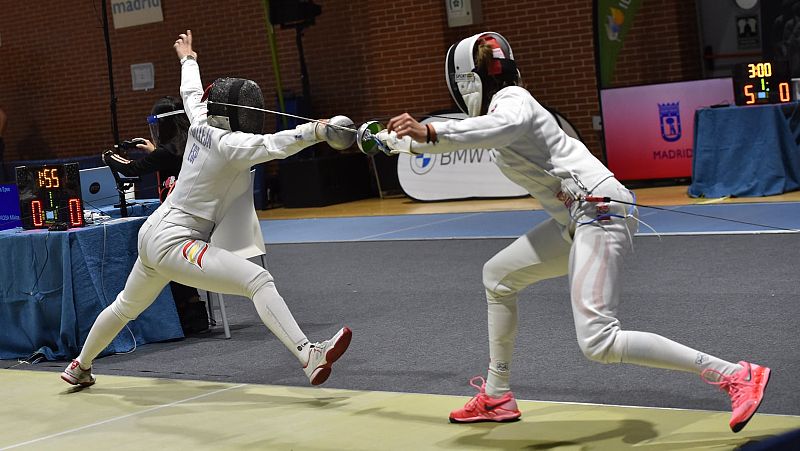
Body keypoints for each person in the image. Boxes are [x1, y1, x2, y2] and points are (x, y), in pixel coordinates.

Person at [380, 31, 770, 433]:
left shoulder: (513, 102)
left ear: (466, 81)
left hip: (600, 212)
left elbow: (496, 127)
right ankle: (497, 395)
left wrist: (427, 131)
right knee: (497, 277)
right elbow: (475, 136)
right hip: (577, 220)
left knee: (599, 341)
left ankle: (736, 375)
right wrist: (392, 141)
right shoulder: (498, 114)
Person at [62, 29, 352, 387]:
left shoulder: (199, 121)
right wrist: (317, 131)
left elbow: (190, 91)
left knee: (125, 305)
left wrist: (188, 58)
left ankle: (80, 366)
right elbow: (276, 144)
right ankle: (309, 355)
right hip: (175, 241)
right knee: (257, 279)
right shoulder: (230, 143)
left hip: (154, 231)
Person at [103, 96, 210, 335]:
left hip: (182, 228)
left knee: (153, 249)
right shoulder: (191, 147)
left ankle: (180, 313)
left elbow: (131, 168)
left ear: (165, 126)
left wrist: (108, 156)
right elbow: (169, 160)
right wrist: (154, 151)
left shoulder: (167, 153)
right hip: (202, 222)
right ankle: (192, 310)